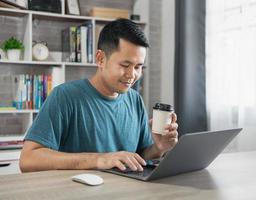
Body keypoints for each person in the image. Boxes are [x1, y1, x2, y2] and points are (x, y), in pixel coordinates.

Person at [19, 18, 178, 172]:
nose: (132, 75)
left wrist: (158, 148)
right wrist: (99, 159)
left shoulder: (134, 99)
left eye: (138, 67)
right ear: (100, 59)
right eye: (125, 65)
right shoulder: (64, 96)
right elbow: (28, 159)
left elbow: (139, 156)